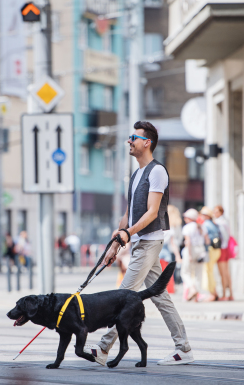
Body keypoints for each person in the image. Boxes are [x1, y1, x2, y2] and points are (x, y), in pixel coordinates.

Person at [85, 121, 194, 366]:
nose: (129, 141)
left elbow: (152, 213)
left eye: (134, 137)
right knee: (160, 298)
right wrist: (116, 243)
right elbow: (129, 214)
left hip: (149, 242)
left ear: (147, 142)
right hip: (138, 242)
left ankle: (103, 347)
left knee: (122, 295)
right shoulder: (136, 174)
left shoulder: (157, 172)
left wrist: (129, 233)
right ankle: (183, 347)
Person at [180, 209, 205, 302]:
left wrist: (189, 254)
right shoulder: (201, 226)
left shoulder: (187, 227)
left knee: (185, 272)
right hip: (201, 250)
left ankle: (192, 289)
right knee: (198, 273)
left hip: (191, 250)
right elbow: (207, 240)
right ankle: (196, 296)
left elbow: (188, 242)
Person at [198, 206, 222, 302]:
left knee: (208, 272)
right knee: (210, 271)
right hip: (216, 249)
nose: (202, 215)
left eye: (204, 214)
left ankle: (212, 294)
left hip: (211, 249)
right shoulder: (213, 223)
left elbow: (206, 238)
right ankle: (214, 293)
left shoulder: (206, 224)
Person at [213, 205, 233, 301]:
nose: (214, 213)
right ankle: (230, 294)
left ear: (221, 212)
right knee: (226, 272)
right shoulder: (225, 221)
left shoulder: (219, 222)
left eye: (216, 211)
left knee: (223, 273)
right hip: (225, 248)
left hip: (222, 248)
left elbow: (224, 237)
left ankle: (224, 294)